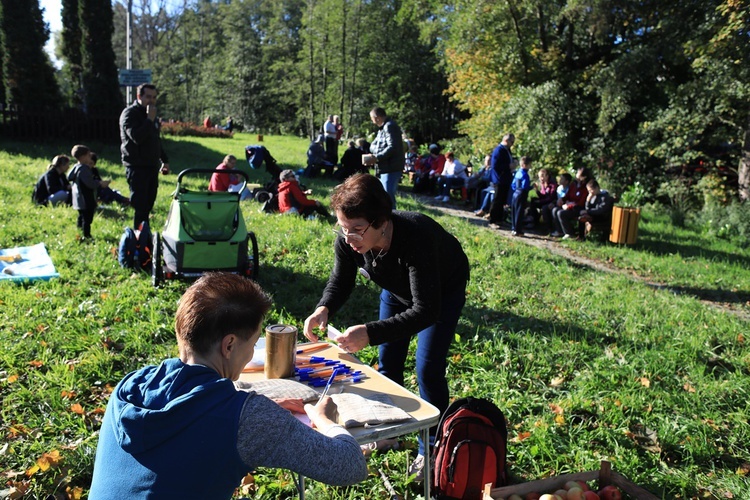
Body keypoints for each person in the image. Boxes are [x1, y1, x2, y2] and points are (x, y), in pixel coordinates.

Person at [89, 273, 367, 498]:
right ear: (230, 345)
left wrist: (250, 407)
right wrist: (326, 420)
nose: (250, 355)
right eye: (254, 341)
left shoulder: (130, 386)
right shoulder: (249, 419)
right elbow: (349, 466)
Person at [302, 173, 469, 481]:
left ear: (381, 221)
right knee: (388, 363)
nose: (349, 237)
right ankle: (388, 432)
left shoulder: (415, 237)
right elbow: (341, 280)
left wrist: (370, 332)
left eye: (357, 230)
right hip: (396, 290)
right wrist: (323, 308)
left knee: (428, 368)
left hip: (440, 293)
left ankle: (430, 448)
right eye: (343, 228)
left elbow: (426, 310)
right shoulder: (350, 238)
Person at [119, 83, 170, 228]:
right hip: (136, 166)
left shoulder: (153, 116)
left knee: (148, 204)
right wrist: (149, 119)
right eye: (148, 97)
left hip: (151, 166)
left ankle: (144, 237)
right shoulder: (130, 114)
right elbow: (137, 137)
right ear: (139, 96)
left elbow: (155, 140)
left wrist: (164, 160)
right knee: (140, 206)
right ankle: (138, 242)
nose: (151, 100)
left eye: (154, 97)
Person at [362, 107, 404, 208]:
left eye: (372, 118)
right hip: (385, 167)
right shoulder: (383, 128)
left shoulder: (390, 126)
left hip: (391, 168)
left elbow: (393, 147)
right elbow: (375, 145)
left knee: (388, 197)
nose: (372, 121)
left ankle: (394, 220)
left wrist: (376, 158)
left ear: (377, 117)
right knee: (383, 197)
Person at [69, 145, 108, 240]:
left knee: (81, 215)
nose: (90, 157)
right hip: (86, 198)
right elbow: (90, 184)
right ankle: (87, 235)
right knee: (87, 218)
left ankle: (79, 230)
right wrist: (100, 183)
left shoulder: (76, 167)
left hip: (78, 198)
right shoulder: (84, 169)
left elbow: (69, 177)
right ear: (83, 157)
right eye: (88, 155)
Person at [551, 167, 593, 239]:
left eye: (578, 174)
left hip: (579, 209)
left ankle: (570, 233)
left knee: (561, 213)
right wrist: (562, 200)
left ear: (584, 177)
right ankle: (560, 231)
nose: (576, 175)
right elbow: (567, 196)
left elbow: (581, 203)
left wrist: (569, 206)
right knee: (555, 210)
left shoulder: (586, 187)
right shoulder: (573, 184)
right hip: (569, 206)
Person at [487, 133, 515, 229]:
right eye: (512, 142)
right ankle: (492, 220)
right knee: (497, 200)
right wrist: (508, 167)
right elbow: (495, 166)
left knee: (502, 200)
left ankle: (499, 219)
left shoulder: (507, 150)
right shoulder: (499, 150)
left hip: (506, 179)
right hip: (499, 179)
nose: (513, 144)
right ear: (506, 140)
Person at [510, 156, 532, 236]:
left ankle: (513, 228)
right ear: (524, 165)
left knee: (514, 211)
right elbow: (525, 186)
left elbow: (513, 185)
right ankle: (518, 230)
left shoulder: (517, 173)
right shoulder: (525, 174)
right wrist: (532, 187)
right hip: (522, 193)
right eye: (529, 165)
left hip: (515, 193)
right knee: (520, 212)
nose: (530, 167)